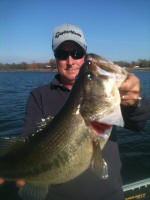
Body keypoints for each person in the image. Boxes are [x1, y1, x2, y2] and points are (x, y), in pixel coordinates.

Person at [1, 24, 149, 200]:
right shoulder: (38, 96)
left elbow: (138, 124)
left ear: (84, 55)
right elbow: (27, 141)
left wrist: (133, 101)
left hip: (108, 195)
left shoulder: (108, 102)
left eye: (77, 54)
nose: (70, 61)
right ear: (55, 57)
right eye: (62, 55)